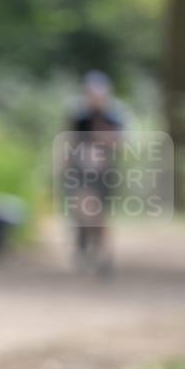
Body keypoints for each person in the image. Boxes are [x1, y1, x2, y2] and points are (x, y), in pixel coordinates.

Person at [64, 70, 124, 276]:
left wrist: (104, 139)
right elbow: (70, 143)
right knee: (85, 210)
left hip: (103, 174)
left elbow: (120, 145)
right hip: (81, 172)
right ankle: (89, 247)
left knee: (98, 215)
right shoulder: (80, 117)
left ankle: (102, 254)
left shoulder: (114, 117)